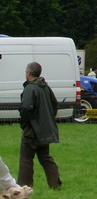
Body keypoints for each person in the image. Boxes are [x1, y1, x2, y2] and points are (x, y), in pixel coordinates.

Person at [17, 61, 62, 189]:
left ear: (29, 73)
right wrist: (47, 118)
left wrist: (25, 124)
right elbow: (55, 105)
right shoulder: (45, 87)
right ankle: (55, 184)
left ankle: (24, 187)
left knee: (26, 159)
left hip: (32, 131)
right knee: (45, 157)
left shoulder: (30, 88)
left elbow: (25, 108)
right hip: (45, 130)